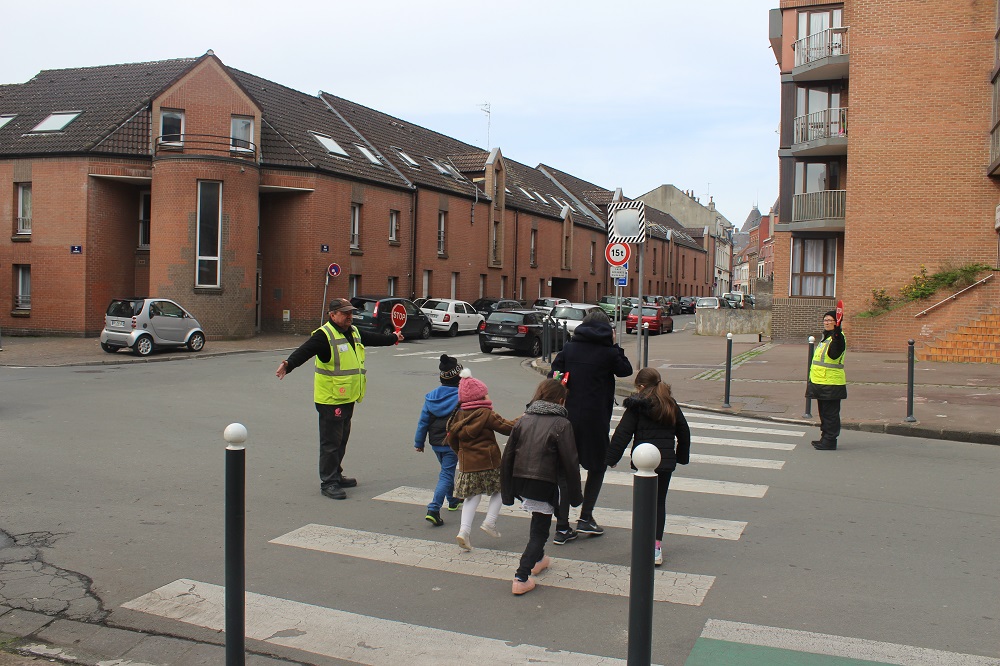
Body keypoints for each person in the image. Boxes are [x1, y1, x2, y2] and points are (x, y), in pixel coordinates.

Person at [275, 298, 402, 500]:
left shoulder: (354, 332)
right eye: (345, 313)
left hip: (347, 396)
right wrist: (288, 364)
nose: (349, 316)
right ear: (333, 315)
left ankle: (336, 474)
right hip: (330, 399)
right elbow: (305, 351)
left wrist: (393, 337)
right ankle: (329, 482)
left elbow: (373, 338)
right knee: (330, 442)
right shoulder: (324, 335)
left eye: (350, 312)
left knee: (341, 439)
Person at [549, 310, 632, 544]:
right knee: (597, 467)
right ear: (608, 329)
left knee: (565, 471)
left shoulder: (570, 348)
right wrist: (615, 346)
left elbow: (553, 376)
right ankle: (586, 516)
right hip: (596, 420)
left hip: (567, 418)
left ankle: (562, 527)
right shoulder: (608, 352)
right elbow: (626, 370)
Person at [501, 379, 583, 595]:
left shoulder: (524, 419)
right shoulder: (561, 424)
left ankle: (539, 559)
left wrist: (507, 489)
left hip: (521, 479)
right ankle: (521, 576)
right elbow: (570, 462)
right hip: (544, 481)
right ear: (561, 400)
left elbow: (508, 455)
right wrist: (575, 495)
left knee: (538, 518)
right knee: (540, 531)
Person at [606, 368, 691, 566]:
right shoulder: (670, 404)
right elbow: (684, 432)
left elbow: (622, 434)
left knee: (643, 503)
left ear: (642, 386)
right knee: (659, 503)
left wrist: (611, 458)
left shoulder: (637, 406)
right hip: (665, 463)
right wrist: (681, 456)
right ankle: (655, 547)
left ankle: (642, 544)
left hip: (644, 462)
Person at [446, 373, 517, 551]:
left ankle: (464, 532)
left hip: (468, 465)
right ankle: (490, 522)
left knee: (471, 497)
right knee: (501, 490)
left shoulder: (457, 416)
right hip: (490, 462)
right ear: (481, 397)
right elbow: (508, 428)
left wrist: (462, 454)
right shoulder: (486, 414)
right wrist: (523, 418)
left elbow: (453, 441)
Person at [414, 355, 466, 526]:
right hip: (452, 441)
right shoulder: (461, 396)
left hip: (435, 442)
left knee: (446, 470)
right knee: (446, 474)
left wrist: (419, 442)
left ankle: (452, 500)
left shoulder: (432, 396)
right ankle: (434, 508)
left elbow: (423, 421)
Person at [807, 310, 846, 451]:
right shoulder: (825, 338)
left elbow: (834, 354)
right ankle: (825, 438)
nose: (827, 322)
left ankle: (830, 441)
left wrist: (837, 334)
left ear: (837, 322)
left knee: (830, 414)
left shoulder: (837, 338)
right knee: (824, 413)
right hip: (821, 382)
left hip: (832, 383)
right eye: (825, 320)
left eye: (830, 320)